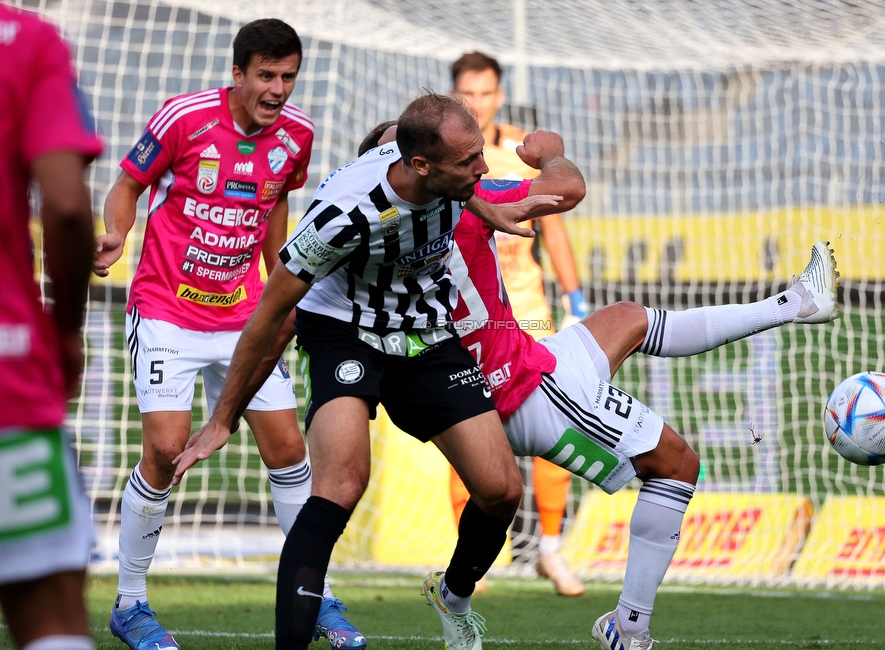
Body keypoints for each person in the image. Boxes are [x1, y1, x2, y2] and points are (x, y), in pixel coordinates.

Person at [364, 122, 839, 649]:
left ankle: (797, 304)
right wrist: (551, 155)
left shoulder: (372, 224)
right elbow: (567, 188)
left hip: (503, 368)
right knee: (676, 466)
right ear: (411, 166)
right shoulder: (462, 203)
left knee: (628, 318)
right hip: (523, 390)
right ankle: (629, 628)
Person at [171, 92, 578, 650]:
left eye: (480, 155)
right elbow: (270, 315)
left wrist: (539, 162)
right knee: (340, 485)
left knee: (501, 491)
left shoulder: (451, 176)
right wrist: (224, 417)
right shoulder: (343, 216)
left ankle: (453, 596)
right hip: (346, 332)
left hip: (426, 332)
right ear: (418, 164)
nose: (483, 169)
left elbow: (557, 189)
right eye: (469, 163)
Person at [92, 19, 363, 650]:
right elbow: (128, 184)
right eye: (265, 76)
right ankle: (130, 603)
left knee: (289, 452)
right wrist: (117, 231)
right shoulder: (183, 118)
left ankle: (314, 592)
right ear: (237, 73)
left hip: (246, 316)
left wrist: (280, 280)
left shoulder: (297, 136)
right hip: (166, 308)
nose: (277, 90)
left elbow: (274, 204)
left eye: (287, 77)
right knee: (166, 451)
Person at [450, 51, 587, 596]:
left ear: (499, 96)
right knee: (463, 428)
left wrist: (574, 299)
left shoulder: (516, 151)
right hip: (464, 317)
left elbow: (552, 224)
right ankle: (473, 556)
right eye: (467, 93)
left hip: (526, 310)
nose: (476, 103)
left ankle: (550, 550)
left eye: (485, 93)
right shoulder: (442, 154)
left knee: (558, 420)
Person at [0, 5, 103, 649]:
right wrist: (65, 331)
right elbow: (66, 206)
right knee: (53, 624)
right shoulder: (27, 40)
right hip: (8, 375)